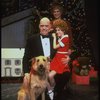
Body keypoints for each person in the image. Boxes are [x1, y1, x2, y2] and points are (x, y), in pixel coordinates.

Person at [22, 17, 56, 100]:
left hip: (53, 68)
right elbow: (26, 57)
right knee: (26, 81)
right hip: (38, 70)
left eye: (46, 26)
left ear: (50, 27)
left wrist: (69, 58)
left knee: (64, 74)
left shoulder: (55, 39)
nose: (44, 28)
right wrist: (26, 72)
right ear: (39, 26)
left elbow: (68, 49)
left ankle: (53, 91)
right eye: (42, 26)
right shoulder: (32, 39)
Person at [47, 19, 72, 100]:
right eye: (56, 30)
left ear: (63, 30)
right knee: (50, 76)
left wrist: (54, 37)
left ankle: (55, 90)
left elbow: (55, 47)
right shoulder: (61, 37)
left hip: (61, 60)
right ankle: (53, 89)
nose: (57, 32)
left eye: (59, 30)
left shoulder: (65, 38)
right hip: (57, 58)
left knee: (53, 76)